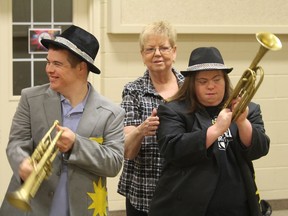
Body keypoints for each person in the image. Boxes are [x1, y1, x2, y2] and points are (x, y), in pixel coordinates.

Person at [0, 25, 125, 216]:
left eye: (57, 64)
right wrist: (22, 163)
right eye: (48, 62)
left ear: (81, 68)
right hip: (33, 207)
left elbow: (114, 163)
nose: (48, 69)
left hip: (81, 207)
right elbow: (16, 142)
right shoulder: (30, 98)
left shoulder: (111, 112)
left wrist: (76, 144)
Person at [149, 47, 270, 216]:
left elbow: (260, 148)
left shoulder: (249, 109)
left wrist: (242, 122)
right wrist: (215, 130)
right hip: (185, 207)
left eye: (217, 79)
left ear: (225, 80)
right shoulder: (172, 110)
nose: (211, 86)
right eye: (203, 81)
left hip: (238, 207)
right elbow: (173, 149)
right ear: (192, 84)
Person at [117, 21, 184, 216]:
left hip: (184, 188)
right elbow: (127, 151)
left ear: (174, 51)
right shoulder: (133, 91)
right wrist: (141, 130)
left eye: (163, 48)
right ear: (142, 55)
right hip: (144, 192)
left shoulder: (189, 88)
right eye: (150, 49)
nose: (157, 54)